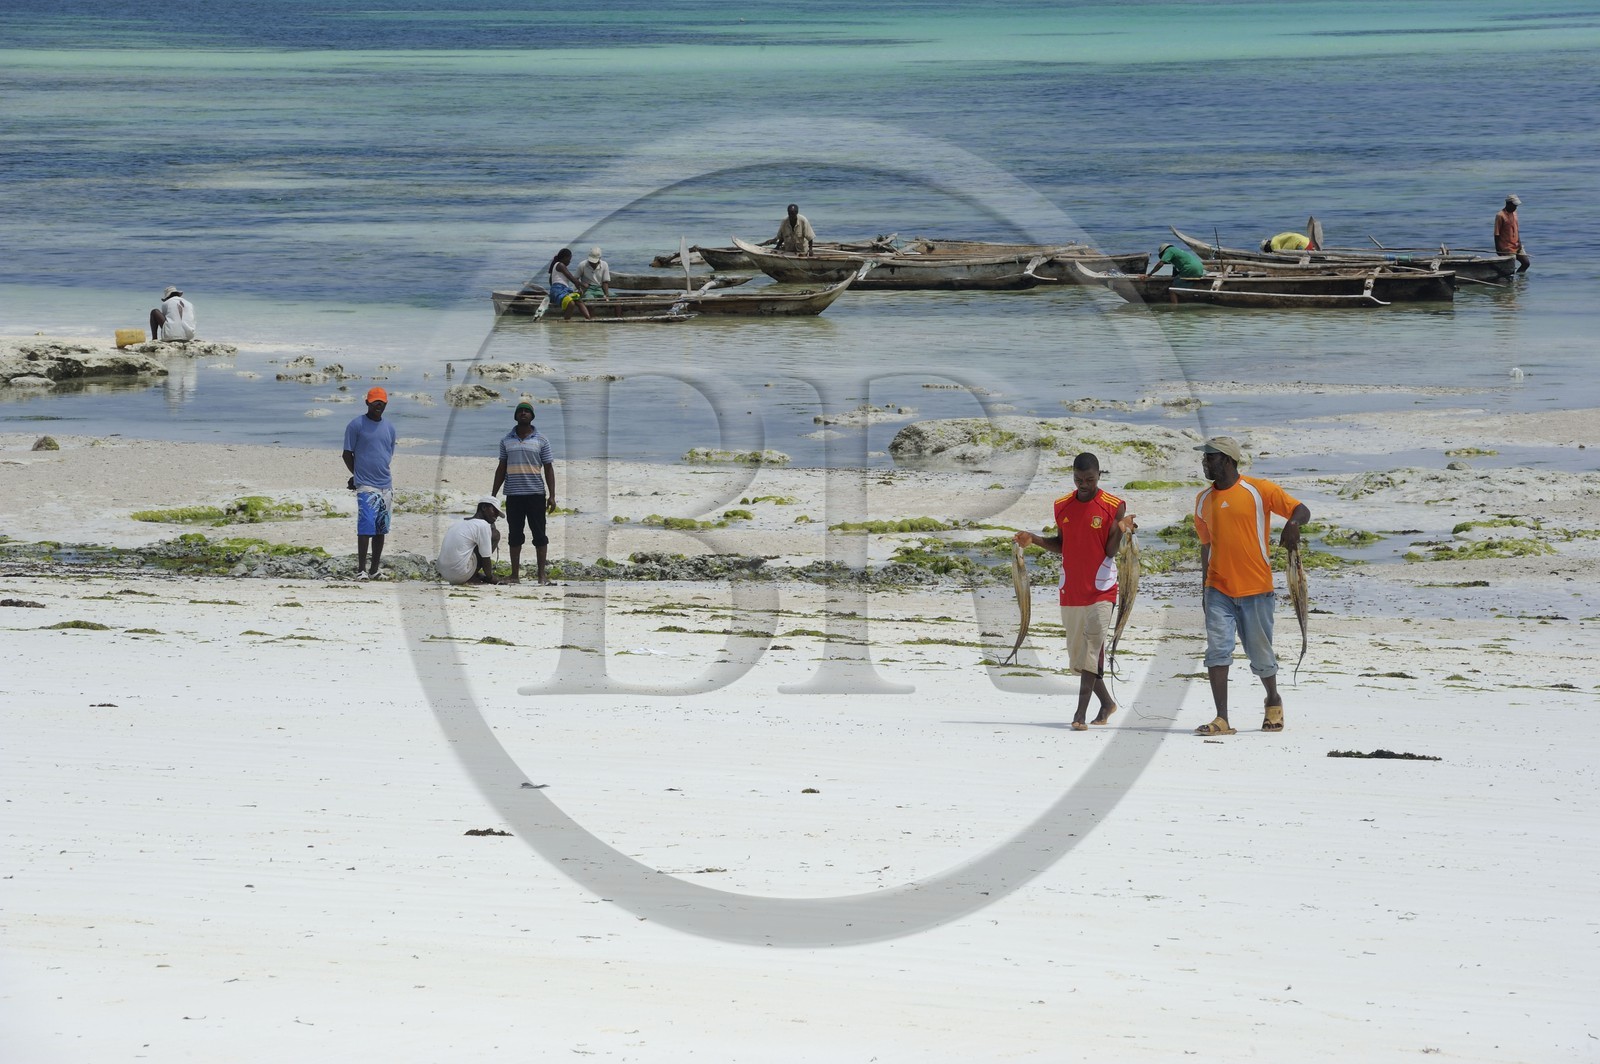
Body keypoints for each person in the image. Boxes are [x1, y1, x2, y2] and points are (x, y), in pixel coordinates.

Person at [1191, 436, 1311, 736]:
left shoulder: (1260, 490)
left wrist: (1292, 525)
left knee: (1260, 655)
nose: (1204, 463)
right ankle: (1222, 718)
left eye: (1210, 458)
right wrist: (1205, 587)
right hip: (1218, 588)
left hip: (1256, 589)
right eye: (1205, 458)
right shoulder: (1203, 501)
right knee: (1217, 651)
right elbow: (1206, 545)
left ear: (1228, 461)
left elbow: (1301, 510)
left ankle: (1273, 699)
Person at [1013, 453, 1136, 731]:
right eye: (1079, 480)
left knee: (1092, 650)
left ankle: (1079, 714)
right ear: (1073, 476)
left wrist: (1120, 527)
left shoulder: (1113, 505)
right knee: (1078, 658)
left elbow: (1110, 549)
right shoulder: (1062, 506)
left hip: (1102, 588)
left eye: (1090, 480)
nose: (1084, 485)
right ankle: (1106, 703)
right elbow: (1062, 544)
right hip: (1071, 589)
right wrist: (1033, 539)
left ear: (1099, 476)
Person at [491, 400, 557, 585]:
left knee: (539, 535)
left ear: (532, 416)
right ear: (515, 415)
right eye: (520, 411)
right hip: (513, 495)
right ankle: (514, 575)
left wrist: (552, 496)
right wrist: (493, 495)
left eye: (527, 411)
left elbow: (549, 468)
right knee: (515, 535)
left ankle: (542, 576)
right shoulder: (506, 440)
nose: (523, 413)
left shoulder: (542, 440)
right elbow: (501, 468)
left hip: (536, 494)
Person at [341, 387, 397, 580]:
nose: (378, 405)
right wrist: (357, 474)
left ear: (386, 404)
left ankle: (374, 569)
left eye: (381, 402)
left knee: (381, 528)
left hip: (386, 485)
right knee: (366, 527)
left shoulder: (390, 427)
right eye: (375, 402)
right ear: (367, 403)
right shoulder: (356, 425)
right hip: (366, 485)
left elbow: (388, 453)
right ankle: (361, 570)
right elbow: (347, 453)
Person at [436, 497, 503, 585]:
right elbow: (486, 557)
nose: (496, 515)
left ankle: (469, 573)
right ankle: (471, 577)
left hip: (444, 573)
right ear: (484, 508)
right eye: (495, 511)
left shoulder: (458, 522)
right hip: (460, 574)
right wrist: (490, 578)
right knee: (495, 535)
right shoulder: (482, 525)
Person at [545, 249, 593, 320]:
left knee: (578, 300)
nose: (569, 261)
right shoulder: (560, 265)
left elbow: (551, 280)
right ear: (564, 258)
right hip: (558, 290)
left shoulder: (557, 266)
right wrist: (583, 284)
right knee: (571, 303)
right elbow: (572, 278)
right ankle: (566, 321)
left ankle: (589, 319)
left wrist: (579, 288)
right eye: (569, 259)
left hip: (564, 289)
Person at [1494, 194, 1531, 273]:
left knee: (1526, 263)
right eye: (1514, 205)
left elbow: (1516, 229)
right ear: (1508, 204)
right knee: (1510, 268)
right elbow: (1496, 233)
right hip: (1507, 247)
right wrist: (1498, 249)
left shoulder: (1515, 213)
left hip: (1517, 245)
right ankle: (1511, 281)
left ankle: (1519, 281)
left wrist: (1519, 242)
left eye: (1516, 206)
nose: (1515, 207)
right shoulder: (1500, 215)